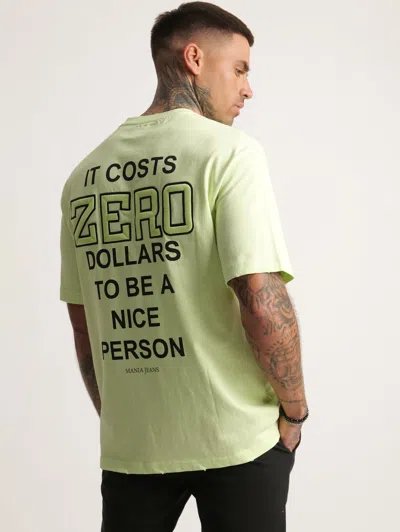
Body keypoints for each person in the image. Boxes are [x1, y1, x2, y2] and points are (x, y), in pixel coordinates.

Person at [59, 2, 309, 531]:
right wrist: (295, 410)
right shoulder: (229, 154)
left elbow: (84, 325)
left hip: (134, 445)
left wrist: (122, 419)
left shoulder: (84, 177)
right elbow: (262, 300)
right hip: (237, 440)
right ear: (195, 59)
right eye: (239, 69)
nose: (247, 89)